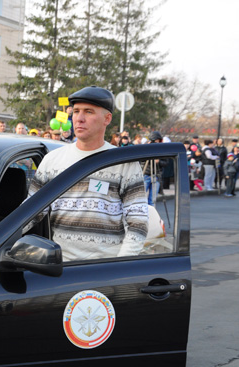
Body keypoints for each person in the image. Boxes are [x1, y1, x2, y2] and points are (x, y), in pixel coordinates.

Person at [27, 86, 148, 261]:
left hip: (104, 269)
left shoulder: (124, 163)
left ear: (107, 118)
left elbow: (138, 223)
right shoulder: (52, 161)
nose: (80, 118)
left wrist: (119, 267)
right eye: (76, 111)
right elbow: (30, 213)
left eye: (89, 112)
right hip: (59, 269)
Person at [143, 131, 167, 206]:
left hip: (156, 176)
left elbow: (166, 163)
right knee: (140, 199)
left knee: (152, 201)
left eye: (158, 140)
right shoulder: (145, 147)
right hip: (146, 175)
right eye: (155, 140)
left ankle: (152, 216)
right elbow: (141, 160)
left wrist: (158, 162)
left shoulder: (162, 149)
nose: (156, 142)